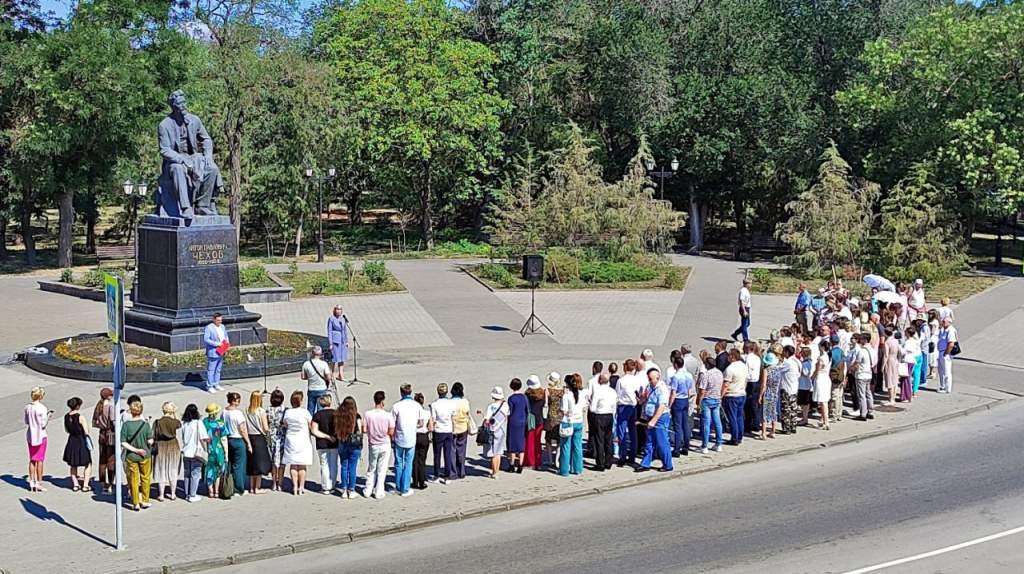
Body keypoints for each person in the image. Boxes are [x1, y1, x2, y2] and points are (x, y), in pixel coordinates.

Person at [120, 396, 154, 511]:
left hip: (131, 456)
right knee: (145, 478)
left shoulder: (126, 425)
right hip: (145, 455)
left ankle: (135, 503)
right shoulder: (145, 424)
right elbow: (150, 441)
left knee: (134, 479)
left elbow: (123, 442)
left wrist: (135, 450)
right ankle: (145, 500)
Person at [638, 368, 673, 472]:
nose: (649, 380)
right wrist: (642, 399)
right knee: (649, 441)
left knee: (662, 442)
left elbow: (662, 406)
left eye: (651, 379)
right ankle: (645, 464)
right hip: (650, 416)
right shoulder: (649, 386)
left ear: (657, 378)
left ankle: (668, 465)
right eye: (648, 378)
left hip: (660, 418)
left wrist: (653, 421)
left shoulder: (662, 389)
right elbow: (646, 398)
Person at [281, 391, 313, 495]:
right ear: (301, 401)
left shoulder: (288, 412)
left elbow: (285, 424)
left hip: (291, 439)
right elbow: (310, 425)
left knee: (293, 464)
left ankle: (294, 486)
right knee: (302, 465)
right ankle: (301, 487)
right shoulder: (305, 412)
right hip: (303, 439)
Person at [391, 383, 420, 496]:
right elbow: (420, 422)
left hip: (399, 437)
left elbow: (392, 423)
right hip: (411, 438)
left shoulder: (396, 406)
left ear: (401, 392)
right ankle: (405, 487)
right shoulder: (416, 405)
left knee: (398, 463)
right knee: (408, 463)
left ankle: (398, 486)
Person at [363, 391, 394, 498]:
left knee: (372, 468)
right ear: (382, 401)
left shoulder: (368, 414)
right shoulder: (388, 415)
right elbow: (391, 431)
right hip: (385, 443)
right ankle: (379, 491)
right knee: (382, 469)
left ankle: (368, 489)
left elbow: (364, 429)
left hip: (373, 444)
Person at [334, 396, 364, 499]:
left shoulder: (338, 416)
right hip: (354, 444)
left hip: (342, 442)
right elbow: (360, 431)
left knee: (344, 466)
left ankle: (344, 490)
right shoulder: (357, 416)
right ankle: (351, 490)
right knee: (352, 467)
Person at [223, 392, 252, 496]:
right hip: (238, 439)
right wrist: (248, 443)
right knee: (239, 466)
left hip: (228, 439)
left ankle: (230, 485)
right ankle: (239, 489)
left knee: (231, 464)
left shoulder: (224, 411)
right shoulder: (238, 413)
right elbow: (242, 429)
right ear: (234, 401)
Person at [152, 401, 182, 501]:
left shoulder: (157, 422)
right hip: (173, 445)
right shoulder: (174, 422)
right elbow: (179, 424)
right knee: (173, 470)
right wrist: (174, 414)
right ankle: (173, 494)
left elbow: (153, 434)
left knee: (162, 471)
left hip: (161, 446)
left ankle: (161, 495)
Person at [615, 360, 643, 466]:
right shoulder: (636, 380)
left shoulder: (621, 380)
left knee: (621, 431)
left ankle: (622, 456)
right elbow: (639, 392)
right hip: (633, 406)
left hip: (623, 406)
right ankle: (632, 455)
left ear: (625, 368)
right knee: (633, 431)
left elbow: (617, 395)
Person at [62, 397, 92, 492]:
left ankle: (75, 484)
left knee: (73, 464)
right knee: (87, 463)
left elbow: (67, 430)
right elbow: (86, 432)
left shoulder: (66, 416)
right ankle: (85, 485)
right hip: (81, 440)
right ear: (78, 406)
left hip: (71, 440)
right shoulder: (80, 417)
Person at [180, 404, 209, 502]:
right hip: (196, 452)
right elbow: (203, 438)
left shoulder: (185, 423)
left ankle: (187, 494)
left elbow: (183, 437)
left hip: (186, 452)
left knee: (187, 474)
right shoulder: (198, 423)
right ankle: (192, 495)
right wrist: (206, 449)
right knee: (195, 474)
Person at [244, 391, 272, 494]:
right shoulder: (261, 411)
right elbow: (265, 428)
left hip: (250, 436)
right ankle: (257, 487)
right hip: (259, 437)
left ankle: (251, 487)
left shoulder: (247, 410)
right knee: (260, 463)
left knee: (252, 463)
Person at [697, 352, 724, 453]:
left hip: (707, 400)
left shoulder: (706, 374)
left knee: (706, 423)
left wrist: (698, 401)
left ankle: (704, 446)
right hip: (716, 398)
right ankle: (719, 444)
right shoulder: (719, 373)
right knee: (717, 422)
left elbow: (702, 390)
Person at [667, 355, 694, 457]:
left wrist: (669, 405)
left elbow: (673, 392)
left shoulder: (676, 377)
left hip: (678, 400)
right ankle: (686, 446)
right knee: (685, 424)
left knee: (677, 425)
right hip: (685, 399)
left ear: (676, 364)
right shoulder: (689, 375)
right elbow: (690, 390)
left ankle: (677, 449)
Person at [558, 375, 585, 476]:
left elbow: (563, 410)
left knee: (565, 447)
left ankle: (564, 470)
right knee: (578, 446)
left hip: (568, 422)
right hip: (579, 421)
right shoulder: (581, 394)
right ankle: (577, 468)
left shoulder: (566, 396)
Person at [310, 394, 338, 494]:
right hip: (335, 442)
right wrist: (332, 437)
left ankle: (326, 487)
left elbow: (314, 431)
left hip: (321, 443)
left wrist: (326, 437)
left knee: (324, 464)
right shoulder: (336, 413)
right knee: (333, 464)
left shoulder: (317, 415)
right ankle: (332, 484)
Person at [24, 388, 50, 493]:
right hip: (40, 435)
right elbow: (43, 424)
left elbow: (26, 421)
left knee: (32, 459)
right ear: (40, 396)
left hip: (30, 435)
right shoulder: (42, 408)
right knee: (40, 460)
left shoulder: (27, 407)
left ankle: (31, 481)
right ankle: (38, 483)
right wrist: (48, 416)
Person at [589, 373, 616, 470]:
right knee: (608, 439)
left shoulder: (598, 391)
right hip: (609, 415)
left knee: (599, 440)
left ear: (600, 380)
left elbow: (592, 408)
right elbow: (614, 406)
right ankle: (608, 461)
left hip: (599, 415)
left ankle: (600, 463)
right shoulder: (612, 391)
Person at [91, 388, 116, 493]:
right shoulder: (110, 407)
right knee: (111, 460)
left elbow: (94, 423)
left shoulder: (98, 406)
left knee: (102, 460)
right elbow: (113, 422)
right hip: (110, 435)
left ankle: (102, 483)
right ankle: (110, 484)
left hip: (101, 435)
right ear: (108, 396)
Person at [482, 386, 510, 479]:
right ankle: (496, 471)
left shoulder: (491, 406)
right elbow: (507, 416)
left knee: (493, 452)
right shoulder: (505, 405)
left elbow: (487, 419)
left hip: (492, 430)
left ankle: (494, 472)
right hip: (501, 429)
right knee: (498, 452)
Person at [429, 383, 455, 483]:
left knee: (437, 454)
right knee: (447, 454)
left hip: (438, 431)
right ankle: (447, 476)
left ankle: (436, 475)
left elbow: (433, 418)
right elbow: (453, 417)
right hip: (448, 430)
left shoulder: (434, 404)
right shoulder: (451, 403)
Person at [722, 349, 748, 445]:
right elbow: (746, 380)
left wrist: (721, 395)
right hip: (741, 394)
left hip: (731, 395)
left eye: (729, 355)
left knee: (732, 417)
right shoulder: (744, 366)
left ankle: (734, 438)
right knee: (739, 417)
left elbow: (726, 384)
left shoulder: (730, 369)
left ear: (732, 357)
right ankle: (740, 436)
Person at [202, 403, 227, 498]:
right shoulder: (220, 423)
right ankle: (216, 491)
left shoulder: (204, 422)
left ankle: (210, 491)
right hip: (218, 449)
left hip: (208, 449)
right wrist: (226, 452)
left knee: (209, 470)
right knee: (218, 471)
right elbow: (224, 439)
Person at [265, 389, 287, 491]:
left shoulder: (268, 410)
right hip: (282, 436)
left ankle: (274, 483)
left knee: (273, 461)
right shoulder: (285, 410)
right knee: (282, 462)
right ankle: (280, 484)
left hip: (271, 436)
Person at [301, 346, 333, 415]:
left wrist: (311, 377)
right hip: (322, 388)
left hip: (311, 389)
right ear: (321, 354)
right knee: (321, 410)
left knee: (310, 410)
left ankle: (310, 421)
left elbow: (303, 377)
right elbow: (328, 377)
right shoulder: (324, 364)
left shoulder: (306, 364)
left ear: (312, 353)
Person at [449, 382, 472, 480]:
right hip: (463, 427)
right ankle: (461, 471)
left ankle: (452, 472)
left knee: (451, 451)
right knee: (461, 450)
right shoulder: (465, 402)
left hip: (452, 428)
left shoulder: (450, 402)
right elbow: (467, 412)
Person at [506, 378, 529, 473]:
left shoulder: (511, 398)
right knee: (521, 443)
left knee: (512, 443)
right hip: (522, 421)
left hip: (513, 421)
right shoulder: (524, 397)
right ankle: (520, 465)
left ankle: (511, 465)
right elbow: (527, 409)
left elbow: (509, 411)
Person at [524, 375, 546, 470]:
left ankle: (530, 461)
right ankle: (538, 461)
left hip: (530, 419)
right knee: (537, 441)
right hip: (540, 419)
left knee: (529, 441)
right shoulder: (543, 394)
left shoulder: (528, 395)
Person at [851, 334, 875, 421]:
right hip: (869, 373)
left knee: (861, 395)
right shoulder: (872, 349)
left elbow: (857, 363)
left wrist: (851, 369)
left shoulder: (862, 351)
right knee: (868, 393)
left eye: (861, 339)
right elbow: (874, 362)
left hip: (861, 374)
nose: (860, 340)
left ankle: (863, 414)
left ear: (865, 340)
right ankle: (870, 412)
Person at [203, 312, 228, 393]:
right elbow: (206, 339)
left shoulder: (222, 326)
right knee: (211, 369)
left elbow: (225, 336)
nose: (220, 322)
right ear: (213, 319)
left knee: (218, 369)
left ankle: (216, 384)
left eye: (221, 320)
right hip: (213, 351)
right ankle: (209, 386)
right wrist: (217, 344)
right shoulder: (209, 328)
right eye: (218, 320)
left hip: (221, 350)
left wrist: (226, 343)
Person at [778, 345, 800, 434]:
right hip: (794, 387)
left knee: (786, 409)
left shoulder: (787, 363)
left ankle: (786, 428)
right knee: (793, 408)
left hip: (786, 388)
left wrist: (779, 361)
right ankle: (793, 426)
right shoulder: (796, 362)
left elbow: (778, 369)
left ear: (787, 352)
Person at [760, 350, 782, 440]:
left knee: (765, 413)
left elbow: (763, 384)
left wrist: (760, 395)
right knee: (773, 412)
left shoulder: (766, 370)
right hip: (775, 392)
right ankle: (773, 431)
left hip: (767, 392)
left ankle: (763, 433)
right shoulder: (778, 369)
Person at [742, 341, 763, 436]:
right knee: (755, 404)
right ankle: (756, 423)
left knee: (748, 405)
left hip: (750, 382)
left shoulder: (747, 358)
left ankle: (748, 425)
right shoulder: (757, 358)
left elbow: (746, 371)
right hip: (756, 381)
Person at [544, 372, 564, 468]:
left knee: (548, 439)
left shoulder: (548, 390)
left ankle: (550, 460)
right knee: (559, 439)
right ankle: (557, 460)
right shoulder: (562, 391)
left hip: (551, 416)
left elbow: (546, 404)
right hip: (559, 415)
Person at [412, 393, 432, 490]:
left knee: (414, 460)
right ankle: (422, 481)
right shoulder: (427, 413)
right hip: (424, 436)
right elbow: (431, 427)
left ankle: (415, 481)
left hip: (414, 435)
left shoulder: (412, 413)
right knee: (422, 460)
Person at [813, 339, 832, 430]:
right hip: (826, 378)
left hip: (821, 379)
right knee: (824, 401)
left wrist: (812, 377)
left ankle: (826, 422)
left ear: (822, 347)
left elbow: (818, 370)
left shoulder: (822, 358)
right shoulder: (827, 356)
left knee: (823, 401)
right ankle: (822, 419)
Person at [828, 335, 847, 423]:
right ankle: (839, 414)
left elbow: (829, 365)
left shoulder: (831, 352)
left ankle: (833, 415)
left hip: (834, 376)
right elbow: (845, 365)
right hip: (841, 375)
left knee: (834, 395)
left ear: (831, 342)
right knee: (839, 395)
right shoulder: (841, 351)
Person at [327, 305, 348, 381]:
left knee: (342, 358)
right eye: (337, 309)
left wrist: (346, 341)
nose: (338, 311)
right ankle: (331, 374)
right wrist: (330, 343)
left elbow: (345, 330)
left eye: (340, 309)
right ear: (335, 310)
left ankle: (341, 375)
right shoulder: (331, 319)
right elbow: (329, 331)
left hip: (342, 341)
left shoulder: (343, 319)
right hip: (335, 341)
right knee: (334, 359)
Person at [937, 317, 957, 394]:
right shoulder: (943, 330)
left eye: (944, 321)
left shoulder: (950, 330)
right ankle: (942, 386)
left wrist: (946, 353)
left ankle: (947, 388)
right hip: (941, 351)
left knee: (946, 371)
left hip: (945, 353)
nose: (942, 322)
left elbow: (951, 344)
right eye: (942, 321)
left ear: (949, 322)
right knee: (941, 370)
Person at [882, 327, 901, 405]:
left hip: (889, 360)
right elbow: (900, 352)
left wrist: (883, 365)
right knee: (895, 380)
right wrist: (899, 360)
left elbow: (886, 355)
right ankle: (893, 398)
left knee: (889, 380)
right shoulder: (896, 341)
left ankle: (891, 399)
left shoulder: (887, 342)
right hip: (895, 360)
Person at [731, 278, 753, 342]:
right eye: (750, 283)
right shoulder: (743, 291)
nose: (751, 285)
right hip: (744, 308)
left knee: (747, 323)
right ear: (746, 284)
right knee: (744, 325)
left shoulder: (746, 290)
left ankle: (735, 334)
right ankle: (745, 339)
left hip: (747, 308)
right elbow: (741, 301)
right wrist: (744, 311)